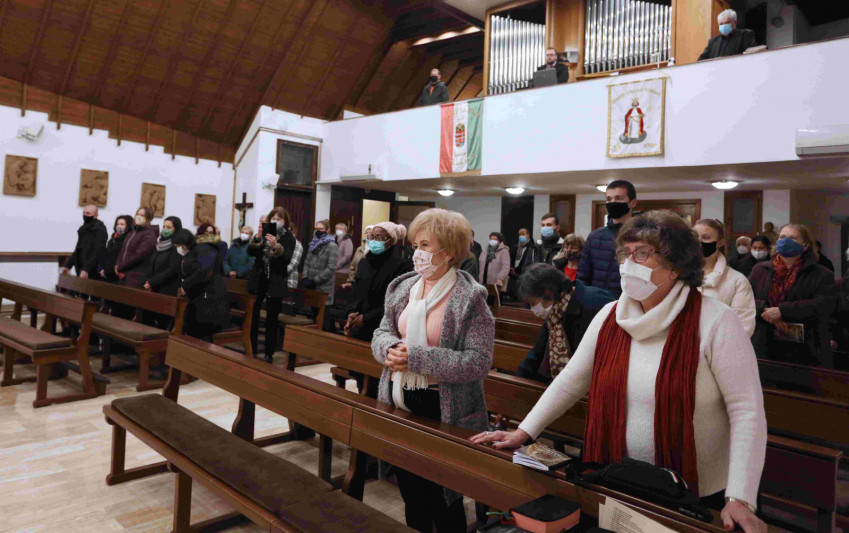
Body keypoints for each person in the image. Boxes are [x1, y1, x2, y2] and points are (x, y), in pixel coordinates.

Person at [472, 211, 768, 533]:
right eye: (625, 253)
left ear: (677, 265)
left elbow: (746, 411)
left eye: (642, 253)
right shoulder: (610, 315)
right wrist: (524, 431)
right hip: (618, 480)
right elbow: (571, 380)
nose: (629, 263)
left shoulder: (716, 321)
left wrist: (740, 497)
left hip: (695, 491)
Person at [372, 208, 494, 532]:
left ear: (449, 251)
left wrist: (417, 358)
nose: (417, 253)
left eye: (425, 245)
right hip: (400, 401)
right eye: (416, 245)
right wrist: (389, 349)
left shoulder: (470, 298)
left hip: (443, 411)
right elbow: (382, 331)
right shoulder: (403, 287)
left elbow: (478, 361)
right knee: (412, 497)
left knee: (443, 501)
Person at [749, 224, 836, 368]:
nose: (785, 241)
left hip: (806, 349)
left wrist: (782, 311)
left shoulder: (821, 274)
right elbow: (745, 299)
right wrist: (766, 310)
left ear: (806, 245)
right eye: (782, 237)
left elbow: (824, 305)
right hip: (765, 343)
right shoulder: (760, 269)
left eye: (792, 238)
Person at [345, 222, 412, 342]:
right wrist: (351, 312)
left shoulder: (402, 266)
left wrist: (365, 319)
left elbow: (395, 303)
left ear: (391, 241)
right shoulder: (364, 262)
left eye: (379, 237)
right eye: (371, 237)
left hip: (383, 328)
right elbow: (356, 291)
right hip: (358, 325)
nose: (374, 241)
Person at [247, 207, 297, 362]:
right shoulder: (265, 233)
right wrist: (257, 238)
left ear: (285, 221)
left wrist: (276, 246)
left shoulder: (289, 238)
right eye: (273, 218)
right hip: (259, 279)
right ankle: (251, 347)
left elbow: (286, 259)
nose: (275, 221)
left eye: (279, 219)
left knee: (272, 318)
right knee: (253, 315)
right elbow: (251, 252)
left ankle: (269, 352)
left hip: (275, 280)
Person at [693, 219, 756, 336]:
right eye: (695, 237)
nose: (699, 242)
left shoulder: (737, 281)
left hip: (718, 345)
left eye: (706, 238)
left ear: (720, 242)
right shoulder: (676, 275)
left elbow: (743, 327)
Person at [577, 180, 637, 295]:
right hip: (597, 301)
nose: (613, 202)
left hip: (629, 302)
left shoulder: (643, 236)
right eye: (609, 199)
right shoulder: (594, 236)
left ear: (632, 203)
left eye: (619, 198)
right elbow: (582, 277)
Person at [173, 229, 231, 341]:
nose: (177, 249)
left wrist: (185, 285)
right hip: (199, 297)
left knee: (203, 335)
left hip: (210, 300)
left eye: (178, 245)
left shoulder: (205, 249)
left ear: (184, 242)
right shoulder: (194, 251)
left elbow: (204, 272)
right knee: (193, 332)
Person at [140, 216, 183, 329]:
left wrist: (152, 283)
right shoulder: (159, 245)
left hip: (166, 290)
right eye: (164, 226)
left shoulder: (177, 247)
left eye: (169, 227)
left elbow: (171, 270)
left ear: (176, 230)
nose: (165, 229)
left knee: (160, 325)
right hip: (152, 289)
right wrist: (146, 282)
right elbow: (150, 265)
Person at [115, 207, 159, 288]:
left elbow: (139, 255)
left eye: (142, 215)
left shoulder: (150, 235)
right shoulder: (132, 232)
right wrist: (117, 266)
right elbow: (123, 251)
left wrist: (120, 267)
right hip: (123, 273)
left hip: (136, 276)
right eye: (137, 214)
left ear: (148, 218)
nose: (138, 217)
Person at [63, 204, 108, 280]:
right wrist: (68, 265)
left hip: (93, 270)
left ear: (95, 215)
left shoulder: (100, 229)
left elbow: (98, 251)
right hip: (80, 267)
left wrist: (86, 269)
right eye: (84, 213)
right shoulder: (82, 229)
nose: (85, 215)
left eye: (88, 213)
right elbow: (78, 249)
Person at [302, 219, 339, 305]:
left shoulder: (332, 245)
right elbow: (306, 262)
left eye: (321, 229)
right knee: (312, 310)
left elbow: (331, 267)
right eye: (316, 229)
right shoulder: (312, 244)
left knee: (323, 311)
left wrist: (315, 280)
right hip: (311, 286)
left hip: (324, 287)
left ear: (327, 230)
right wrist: (305, 277)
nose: (317, 231)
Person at [99, 215, 133, 282]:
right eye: (117, 224)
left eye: (122, 224)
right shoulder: (113, 238)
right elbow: (106, 253)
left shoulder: (128, 240)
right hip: (105, 271)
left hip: (116, 274)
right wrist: (101, 268)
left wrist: (107, 271)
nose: (119, 226)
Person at [286, 223, 303, 290]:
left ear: (292, 231)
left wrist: (278, 273)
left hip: (289, 281)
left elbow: (293, 264)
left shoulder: (297, 244)